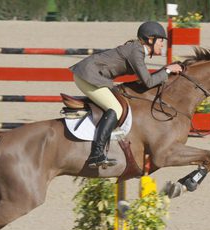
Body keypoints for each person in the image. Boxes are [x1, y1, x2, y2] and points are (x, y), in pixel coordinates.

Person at [69, 21, 182, 168]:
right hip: (88, 76)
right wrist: (167, 70)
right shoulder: (137, 51)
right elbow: (148, 82)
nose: (162, 45)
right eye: (161, 41)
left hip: (94, 75)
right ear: (150, 39)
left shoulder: (137, 50)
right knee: (116, 108)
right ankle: (96, 154)